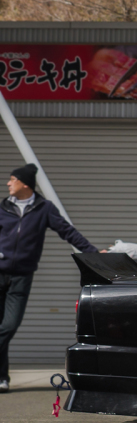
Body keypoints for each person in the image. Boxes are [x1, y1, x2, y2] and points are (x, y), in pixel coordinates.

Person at [0, 164, 99, 393]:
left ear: (24, 183)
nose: (8, 183)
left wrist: (93, 254)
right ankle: (2, 378)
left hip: (21, 276)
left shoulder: (44, 208)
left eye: (12, 179)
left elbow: (68, 232)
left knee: (8, 325)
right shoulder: (3, 208)